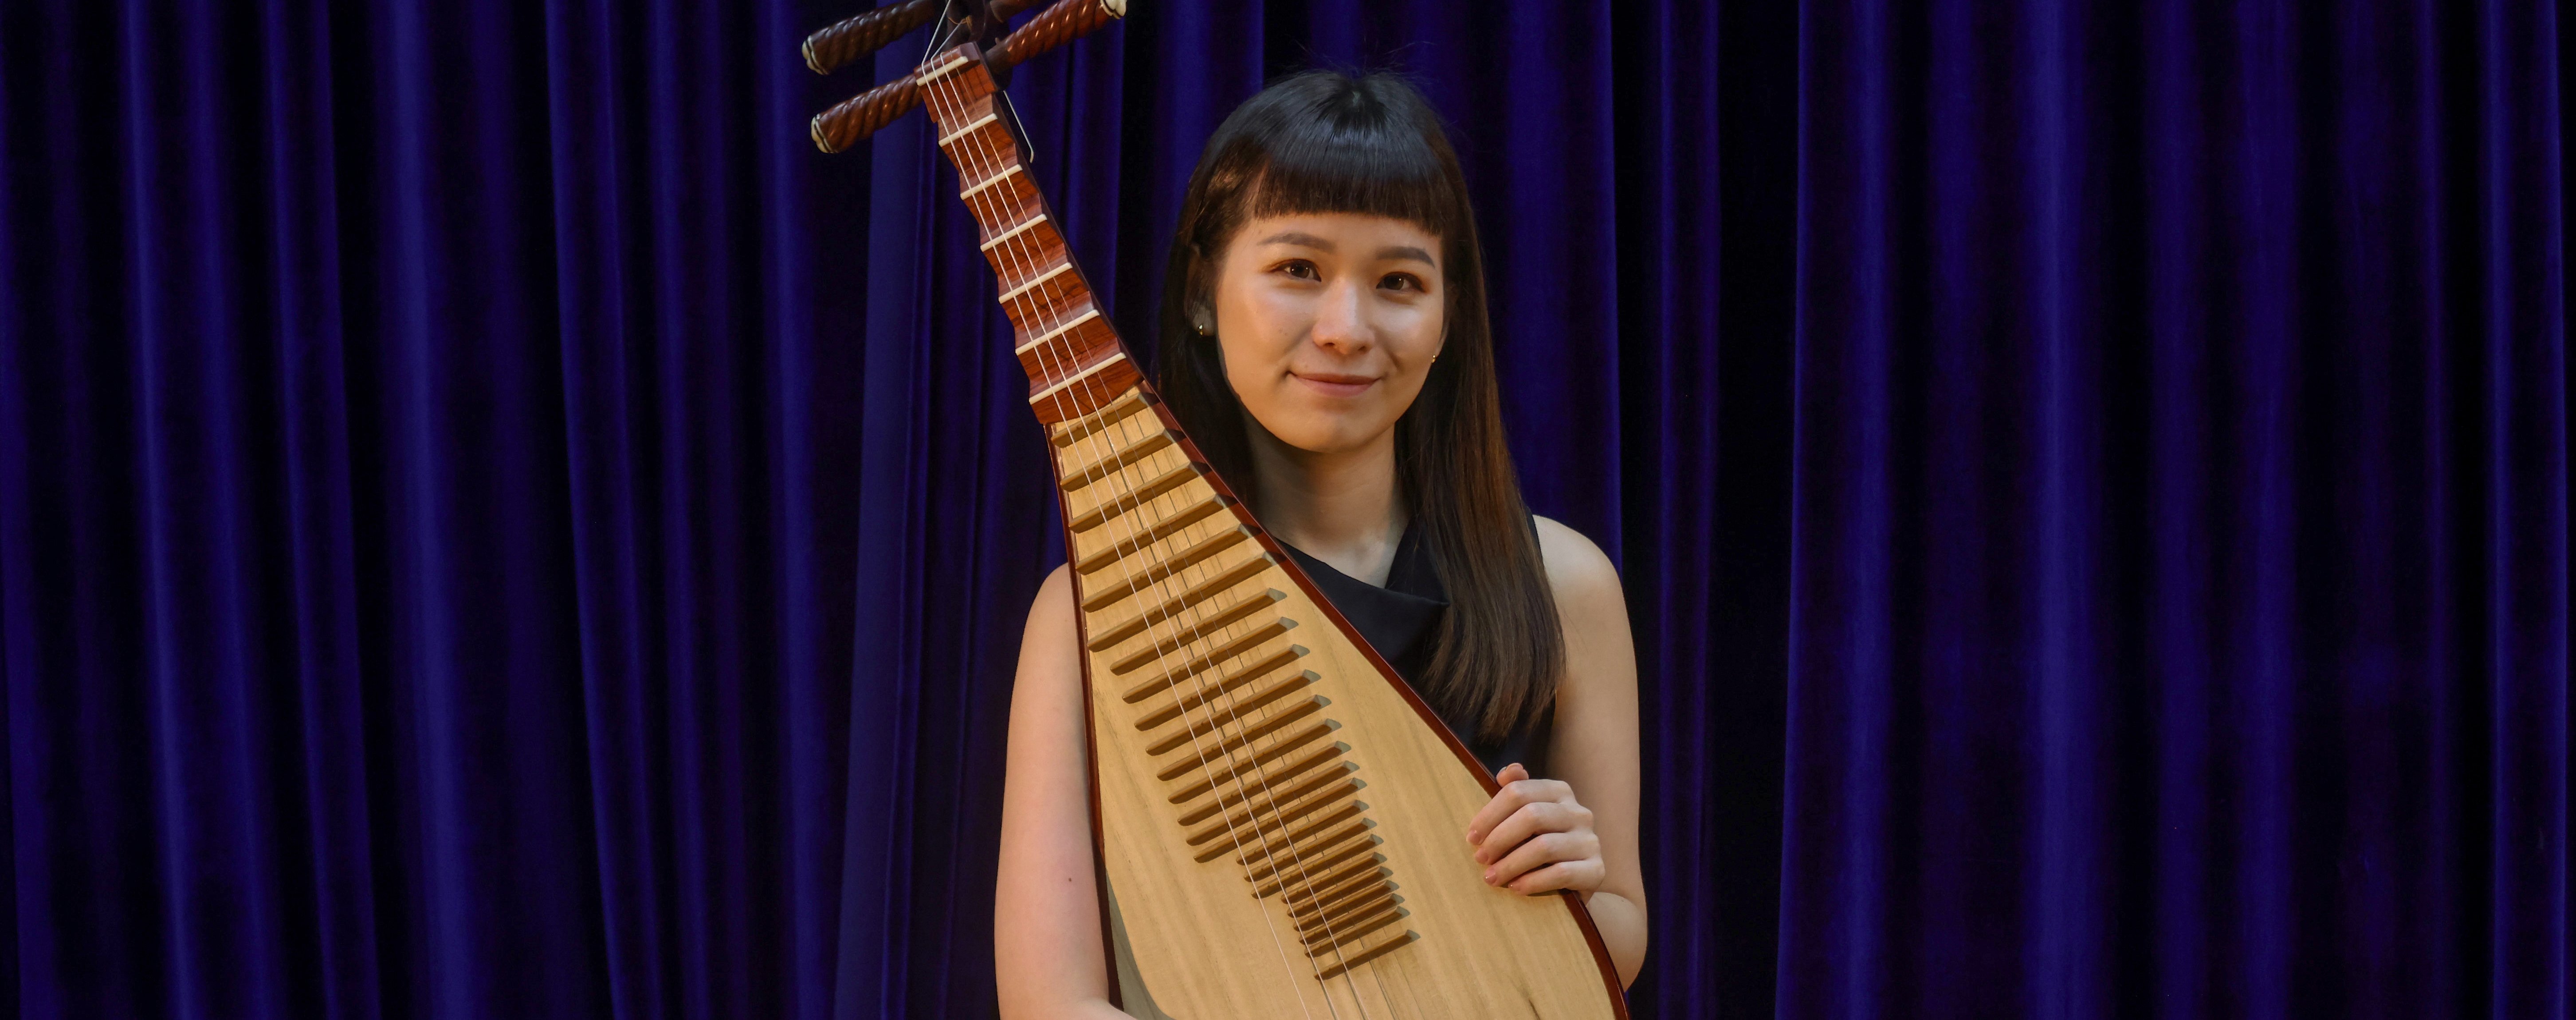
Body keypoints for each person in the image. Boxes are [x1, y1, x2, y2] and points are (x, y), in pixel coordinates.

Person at [993, 69, 1645, 1018]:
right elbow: (1051, 1000)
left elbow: (1618, 940)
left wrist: (1573, 894)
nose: (1346, 329)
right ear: (1204, 296)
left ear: (1448, 319)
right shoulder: (1097, 605)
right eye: (1298, 269)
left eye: (1398, 283)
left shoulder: (1563, 584)